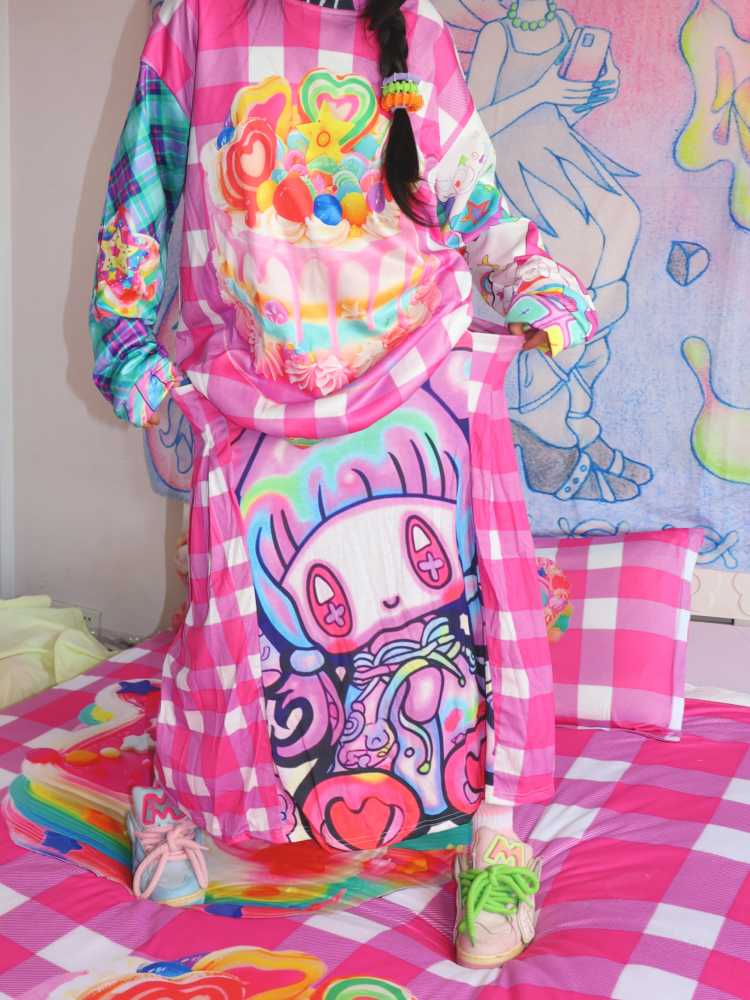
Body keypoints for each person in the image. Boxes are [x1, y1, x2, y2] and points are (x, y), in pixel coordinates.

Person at [89, 0, 596, 969]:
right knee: (233, 631)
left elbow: (472, 199)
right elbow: (143, 186)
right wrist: (123, 334)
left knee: (465, 624)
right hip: (256, 392)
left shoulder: (418, 30)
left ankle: (495, 837)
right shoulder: (196, 17)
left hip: (417, 378)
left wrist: (532, 281)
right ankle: (183, 796)